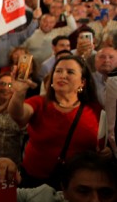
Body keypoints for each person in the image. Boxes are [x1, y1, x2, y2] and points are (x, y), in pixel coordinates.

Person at [8, 55, 105, 188]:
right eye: (58, 71)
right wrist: (18, 93)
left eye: (70, 72)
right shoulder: (39, 102)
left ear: (82, 82)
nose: (62, 75)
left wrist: (107, 152)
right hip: (35, 183)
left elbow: (104, 144)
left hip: (78, 185)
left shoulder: (95, 110)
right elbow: (18, 114)